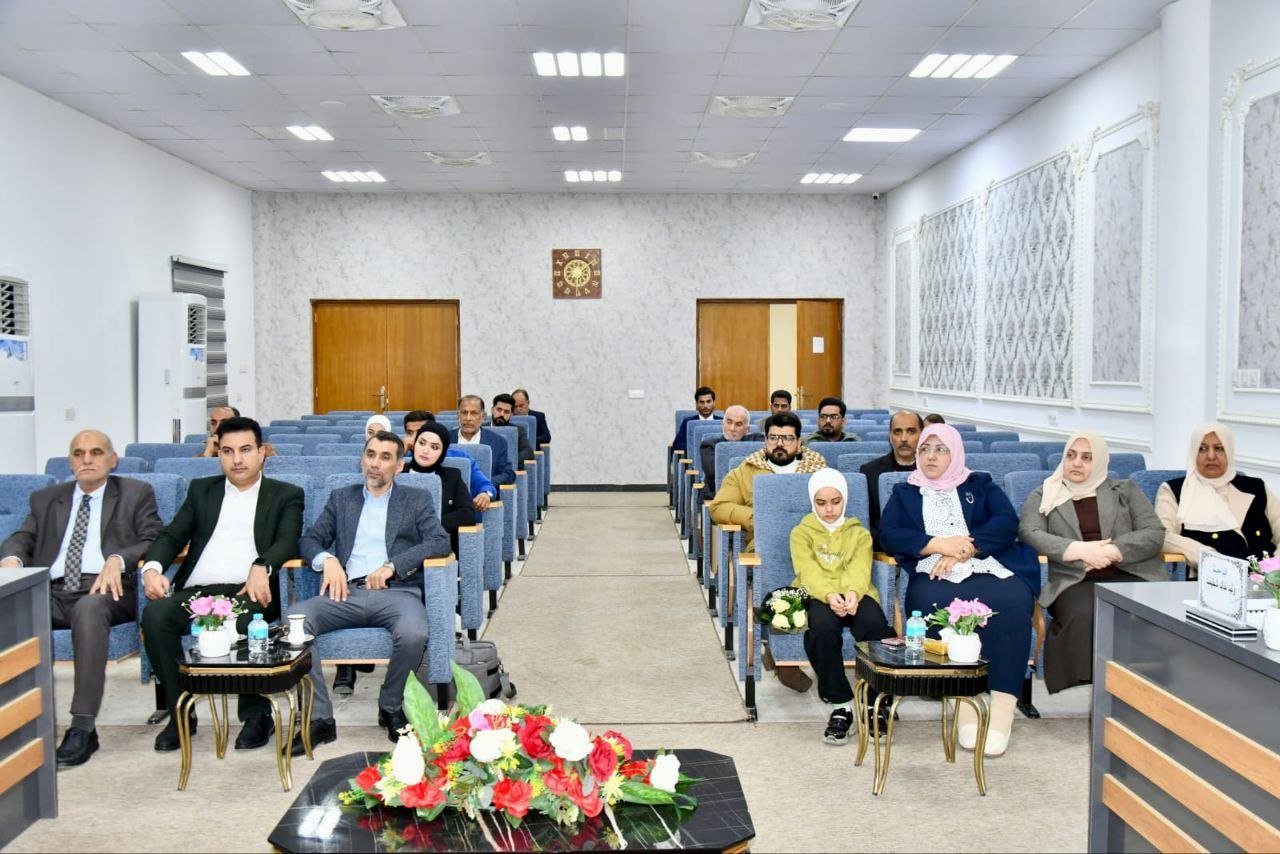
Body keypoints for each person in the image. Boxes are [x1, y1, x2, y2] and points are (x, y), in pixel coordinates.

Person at [138, 417, 304, 753]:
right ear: (219, 455)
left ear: (262, 452)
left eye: (245, 450)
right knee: (155, 616)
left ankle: (256, 715)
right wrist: (152, 569)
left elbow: (287, 541)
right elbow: (172, 536)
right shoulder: (202, 491)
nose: (237, 459)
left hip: (248, 590)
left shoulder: (286, 494)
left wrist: (262, 565)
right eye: (228, 451)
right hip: (197, 591)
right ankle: (180, 712)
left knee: (247, 622)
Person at [0, 430, 164, 767]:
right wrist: (12, 560)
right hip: (52, 590)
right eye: (78, 453)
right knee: (11, 609)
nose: (86, 459)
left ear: (112, 459)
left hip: (106, 591)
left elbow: (154, 538)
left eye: (95, 452)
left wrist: (118, 559)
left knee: (89, 609)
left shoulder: (135, 493)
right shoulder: (46, 499)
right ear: (70, 461)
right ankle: (14, 722)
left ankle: (83, 728)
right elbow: (22, 537)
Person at [879, 424, 1038, 757]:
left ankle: (1003, 706)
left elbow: (1006, 522)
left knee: (1012, 600)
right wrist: (938, 545)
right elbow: (889, 534)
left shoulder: (979, 483)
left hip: (985, 562)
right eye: (925, 449)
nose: (931, 456)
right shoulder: (904, 492)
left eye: (940, 449)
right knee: (930, 602)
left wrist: (966, 549)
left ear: (955, 453)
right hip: (933, 569)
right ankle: (961, 701)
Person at [287, 430, 452, 753]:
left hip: (397, 593)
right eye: (370, 455)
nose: (375, 463)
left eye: (385, 457)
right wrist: (328, 560)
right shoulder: (342, 498)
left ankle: (390, 706)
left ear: (399, 466)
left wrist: (393, 566)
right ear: (362, 459)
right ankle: (320, 719)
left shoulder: (416, 499)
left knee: (414, 632)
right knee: (295, 621)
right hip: (345, 592)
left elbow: (439, 541)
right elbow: (309, 540)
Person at [1018, 432, 1167, 694]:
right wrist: (1079, 550)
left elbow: (1154, 532)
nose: (1076, 463)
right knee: (1085, 613)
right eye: (1071, 455)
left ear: (1099, 462)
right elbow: (1029, 533)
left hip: (1130, 573)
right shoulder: (1045, 494)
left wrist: (1112, 551)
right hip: (1075, 579)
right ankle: (1097, 685)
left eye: (1087, 458)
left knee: (1142, 613)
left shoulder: (1125, 491)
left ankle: (1145, 685)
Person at [709, 411, 827, 693]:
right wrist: (755, 517)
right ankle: (785, 657)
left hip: (812, 544)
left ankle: (797, 650)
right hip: (766, 545)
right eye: (774, 437)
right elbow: (719, 507)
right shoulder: (747, 469)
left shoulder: (818, 469)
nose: (780, 444)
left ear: (799, 441)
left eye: (787, 438)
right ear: (765, 440)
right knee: (776, 574)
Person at [790, 469, 894, 744]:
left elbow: (860, 568)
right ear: (812, 502)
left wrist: (852, 593)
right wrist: (828, 595)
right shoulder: (801, 533)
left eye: (835, 502)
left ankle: (875, 702)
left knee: (876, 627)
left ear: (844, 500)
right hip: (818, 594)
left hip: (856, 593)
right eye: (821, 503)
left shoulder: (859, 533)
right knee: (822, 629)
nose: (829, 509)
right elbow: (807, 570)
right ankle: (841, 705)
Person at [1155, 422, 1279, 569]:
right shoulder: (1173, 490)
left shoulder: (1256, 487)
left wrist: (1275, 569)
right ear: (1193, 452)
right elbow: (1162, 537)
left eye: (1219, 448)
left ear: (1229, 451)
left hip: (1265, 576)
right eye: (1202, 449)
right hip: (1210, 576)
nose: (1211, 456)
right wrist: (1211, 558)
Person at [403, 411, 497, 514]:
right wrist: (400, 452)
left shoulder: (461, 458)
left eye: (420, 432)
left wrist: (485, 494)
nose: (413, 438)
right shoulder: (402, 460)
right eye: (410, 433)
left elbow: (485, 485)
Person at [404, 422, 476, 552]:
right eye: (422, 443)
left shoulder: (452, 476)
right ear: (414, 444)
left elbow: (468, 514)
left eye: (434, 447)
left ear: (442, 453)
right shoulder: (398, 472)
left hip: (436, 546)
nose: (425, 451)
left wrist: (428, 525)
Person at [860, 410, 922, 545]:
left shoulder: (934, 471)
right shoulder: (869, 471)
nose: (904, 438)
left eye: (911, 431)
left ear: (922, 435)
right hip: (885, 546)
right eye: (897, 432)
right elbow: (867, 522)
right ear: (890, 436)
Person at [698, 405, 761, 502]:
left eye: (738, 424)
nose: (732, 428)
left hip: (751, 496)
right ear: (722, 424)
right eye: (729, 422)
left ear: (747, 430)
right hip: (717, 496)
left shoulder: (757, 441)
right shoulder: (709, 445)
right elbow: (715, 473)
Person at [451, 395, 514, 486]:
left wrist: (484, 484)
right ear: (458, 415)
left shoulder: (498, 442)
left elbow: (508, 474)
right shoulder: (446, 440)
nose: (468, 418)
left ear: (483, 417)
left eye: (474, 413)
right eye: (464, 413)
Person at [671, 386, 720, 456]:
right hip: (693, 459)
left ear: (714, 403)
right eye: (702, 402)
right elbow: (678, 445)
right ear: (696, 404)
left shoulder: (721, 422)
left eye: (708, 401)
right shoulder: (688, 422)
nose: (705, 406)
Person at [491, 393, 534, 464]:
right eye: (499, 410)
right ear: (492, 410)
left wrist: (508, 462)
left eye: (506, 412)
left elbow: (528, 452)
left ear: (511, 415)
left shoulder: (518, 430)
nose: (502, 414)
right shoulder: (481, 428)